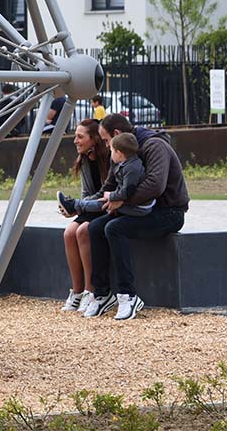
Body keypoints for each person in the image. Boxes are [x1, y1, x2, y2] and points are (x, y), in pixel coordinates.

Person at [83, 114, 190, 321]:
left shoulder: (154, 146)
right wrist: (80, 208)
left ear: (116, 135)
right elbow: (108, 189)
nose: (105, 147)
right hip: (140, 210)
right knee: (95, 228)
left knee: (114, 228)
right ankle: (103, 293)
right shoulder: (121, 154)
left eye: (106, 141)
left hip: (169, 212)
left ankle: (128, 295)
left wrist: (121, 200)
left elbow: (155, 185)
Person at [56, 118, 110, 313]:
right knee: (69, 232)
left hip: (107, 208)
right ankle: (77, 291)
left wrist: (78, 206)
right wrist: (77, 207)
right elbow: (87, 194)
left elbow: (105, 194)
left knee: (83, 231)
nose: (75, 141)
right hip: (92, 207)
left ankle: (91, 290)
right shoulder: (85, 159)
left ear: (94, 139)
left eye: (80, 137)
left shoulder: (109, 158)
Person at [59, 132, 156, 217]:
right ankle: (76, 205)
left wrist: (111, 196)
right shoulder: (127, 164)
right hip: (134, 204)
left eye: (112, 151)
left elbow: (126, 191)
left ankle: (74, 206)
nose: (110, 153)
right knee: (104, 201)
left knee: (103, 203)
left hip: (139, 208)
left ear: (119, 153)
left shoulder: (131, 169)